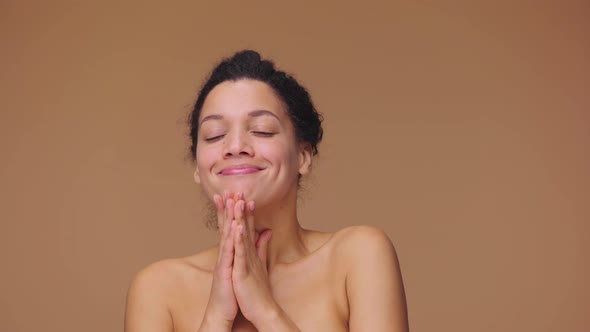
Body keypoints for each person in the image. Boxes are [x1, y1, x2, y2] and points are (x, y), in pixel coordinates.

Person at [124, 50, 409, 332]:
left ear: (303, 156)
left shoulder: (357, 256)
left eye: (262, 130)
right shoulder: (158, 289)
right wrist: (216, 316)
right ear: (198, 167)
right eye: (214, 135)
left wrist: (264, 309)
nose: (235, 146)